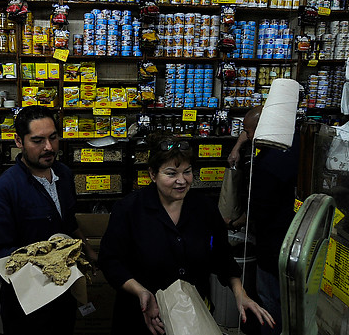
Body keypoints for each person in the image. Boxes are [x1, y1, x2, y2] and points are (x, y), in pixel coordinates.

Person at [98, 135, 275, 335]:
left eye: (187, 172)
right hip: (142, 319)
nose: (181, 181)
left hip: (192, 317)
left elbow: (222, 256)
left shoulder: (204, 208)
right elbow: (110, 260)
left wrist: (240, 293)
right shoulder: (129, 209)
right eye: (171, 173)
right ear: (153, 174)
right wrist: (140, 291)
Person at [0, 105, 97, 335]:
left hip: (64, 288)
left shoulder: (64, 174)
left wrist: (89, 250)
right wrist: (43, 263)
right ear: (18, 142)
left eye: (53, 138)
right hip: (27, 302)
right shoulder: (5, 190)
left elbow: (69, 221)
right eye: (37, 140)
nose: (48, 147)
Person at [227, 105, 300, 335]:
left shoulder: (267, 166)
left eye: (249, 133)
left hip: (274, 242)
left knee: (269, 298)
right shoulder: (294, 139)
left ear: (261, 130)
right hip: (294, 238)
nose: (247, 137)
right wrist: (238, 146)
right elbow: (253, 125)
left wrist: (235, 223)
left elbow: (259, 210)